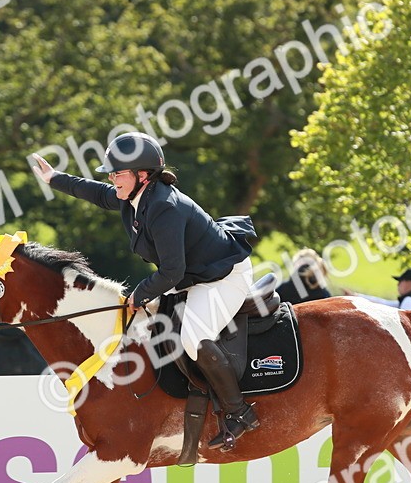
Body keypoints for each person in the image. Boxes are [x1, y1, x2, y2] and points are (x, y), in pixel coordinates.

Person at [31, 132, 260, 451]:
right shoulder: (134, 196)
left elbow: (171, 272)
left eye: (117, 173)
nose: (112, 179)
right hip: (193, 276)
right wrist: (54, 178)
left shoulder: (165, 207)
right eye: (110, 173)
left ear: (142, 175)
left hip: (221, 277)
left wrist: (138, 295)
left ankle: (239, 413)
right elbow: (97, 194)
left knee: (192, 337)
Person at [346, 268, 411, 310]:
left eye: (400, 281)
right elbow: (384, 303)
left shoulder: (409, 301)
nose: (398, 284)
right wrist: (356, 296)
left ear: (409, 283)